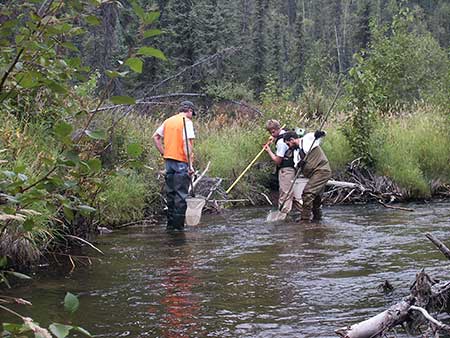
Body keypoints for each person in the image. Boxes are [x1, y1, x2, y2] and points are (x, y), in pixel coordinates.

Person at [152, 100, 196, 230]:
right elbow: (187, 144)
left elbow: (155, 137)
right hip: (181, 162)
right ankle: (178, 229)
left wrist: (163, 153)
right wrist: (190, 165)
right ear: (190, 111)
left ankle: (170, 227)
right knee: (181, 196)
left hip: (168, 162)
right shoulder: (187, 122)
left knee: (171, 195)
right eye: (192, 113)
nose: (192, 115)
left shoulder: (168, 121)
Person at [283, 129, 331, 222]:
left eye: (288, 144)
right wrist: (299, 164)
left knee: (307, 193)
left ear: (292, 140)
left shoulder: (307, 139)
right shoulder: (296, 152)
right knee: (316, 198)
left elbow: (323, 133)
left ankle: (305, 220)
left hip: (321, 171)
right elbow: (296, 165)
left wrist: (319, 133)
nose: (288, 147)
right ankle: (317, 220)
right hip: (312, 174)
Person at [263, 119, 302, 216]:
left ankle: (283, 217)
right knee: (293, 194)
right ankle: (306, 213)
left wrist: (268, 151)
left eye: (272, 132)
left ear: (276, 129)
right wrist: (273, 138)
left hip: (286, 170)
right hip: (294, 169)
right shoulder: (285, 134)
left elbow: (277, 161)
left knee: (285, 194)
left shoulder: (281, 142)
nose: (271, 134)